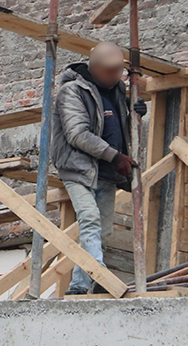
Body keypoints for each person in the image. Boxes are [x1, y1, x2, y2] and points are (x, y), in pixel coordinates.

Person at [50, 41, 146, 294]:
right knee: (89, 219)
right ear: (94, 67)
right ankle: (100, 277)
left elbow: (121, 131)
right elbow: (77, 134)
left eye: (118, 71)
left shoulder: (117, 90)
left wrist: (136, 115)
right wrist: (115, 156)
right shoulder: (72, 91)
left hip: (106, 172)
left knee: (102, 231)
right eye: (109, 71)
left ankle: (80, 285)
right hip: (79, 169)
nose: (115, 76)